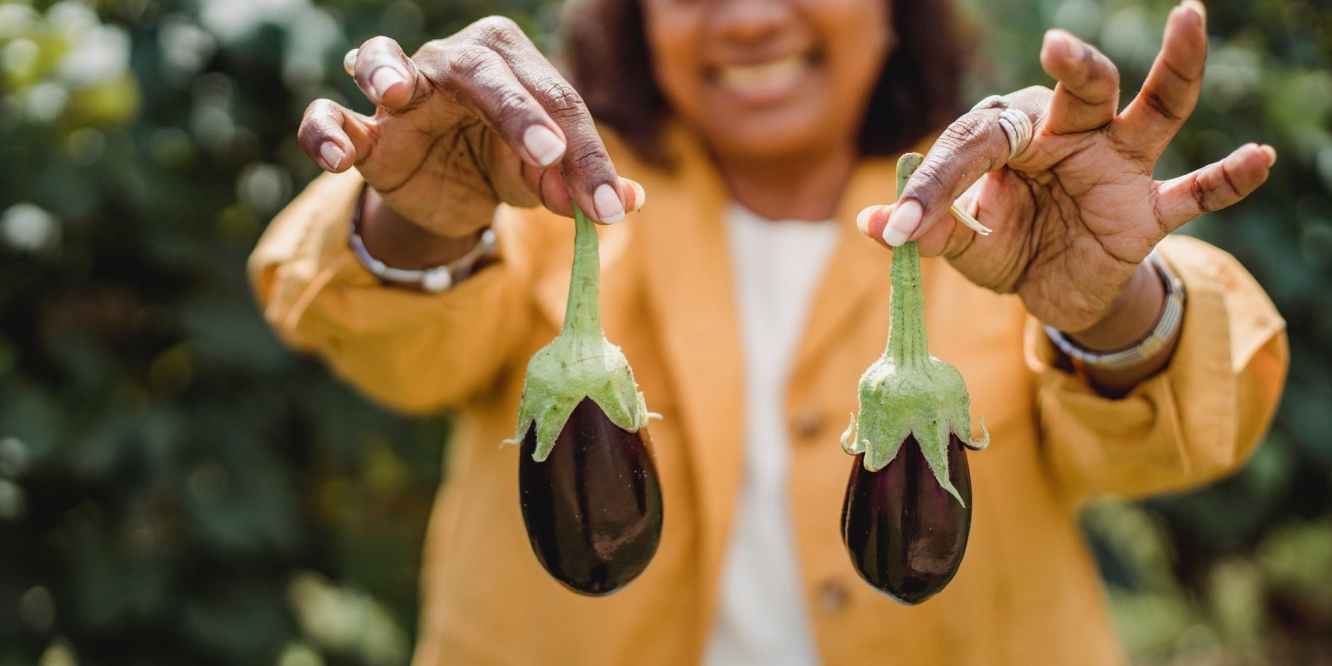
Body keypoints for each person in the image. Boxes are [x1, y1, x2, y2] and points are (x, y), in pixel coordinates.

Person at [249, 0, 1288, 663]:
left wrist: (1113, 303)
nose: (747, 17)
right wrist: (424, 219)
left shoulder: (1003, 201)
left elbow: (1195, 431)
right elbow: (376, 339)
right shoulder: (539, 181)